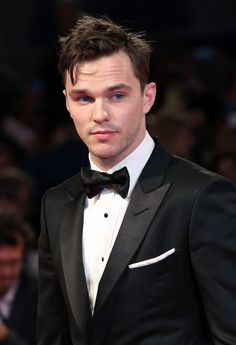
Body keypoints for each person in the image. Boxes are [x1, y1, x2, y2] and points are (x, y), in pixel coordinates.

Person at [37, 16, 236, 345]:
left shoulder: (202, 197)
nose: (99, 114)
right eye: (84, 98)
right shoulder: (55, 204)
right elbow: (53, 336)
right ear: (68, 103)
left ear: (147, 97)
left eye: (116, 95)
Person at [0, 210, 38, 345]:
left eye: (14, 262)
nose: (6, 272)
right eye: (0, 263)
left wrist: (5, 336)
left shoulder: (41, 297)